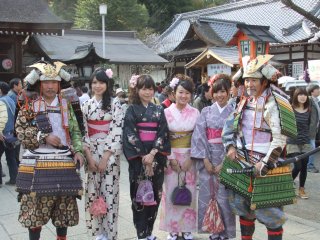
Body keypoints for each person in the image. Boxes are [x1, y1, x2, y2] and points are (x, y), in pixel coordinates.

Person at [222, 55, 290, 240]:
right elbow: (229, 128)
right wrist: (230, 147)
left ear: (264, 81)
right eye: (247, 79)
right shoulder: (243, 101)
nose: (250, 84)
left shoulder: (275, 103)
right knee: (244, 209)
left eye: (254, 80)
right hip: (242, 162)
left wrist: (266, 163)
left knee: (271, 213)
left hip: (267, 165)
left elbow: (280, 138)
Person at [15, 62, 84, 240]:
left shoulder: (66, 105)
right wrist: (43, 137)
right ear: (40, 84)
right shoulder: (31, 105)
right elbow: (20, 130)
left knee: (64, 210)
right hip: (37, 162)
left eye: (54, 82)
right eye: (46, 82)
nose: (50, 86)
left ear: (59, 84)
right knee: (34, 210)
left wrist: (78, 151)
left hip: (64, 161)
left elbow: (75, 131)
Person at [123, 74, 171, 240]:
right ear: (137, 90)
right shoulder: (131, 109)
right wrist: (144, 155)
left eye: (150, 88)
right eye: (143, 88)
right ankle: (141, 233)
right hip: (138, 159)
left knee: (155, 195)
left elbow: (163, 132)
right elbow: (130, 133)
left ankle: (149, 232)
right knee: (139, 195)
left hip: (155, 158)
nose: (147, 92)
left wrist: (152, 153)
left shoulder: (159, 110)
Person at [191, 75, 236, 240]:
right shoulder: (206, 111)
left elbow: (236, 138)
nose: (219, 95)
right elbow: (199, 136)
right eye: (216, 92)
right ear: (212, 93)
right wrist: (205, 160)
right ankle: (213, 230)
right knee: (208, 195)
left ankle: (225, 232)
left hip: (227, 159)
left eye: (223, 91)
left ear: (229, 92)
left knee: (224, 198)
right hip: (208, 158)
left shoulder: (235, 112)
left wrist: (224, 162)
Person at [82, 68, 124, 240]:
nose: (97, 86)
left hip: (110, 154)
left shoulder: (115, 104)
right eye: (94, 83)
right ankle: (97, 232)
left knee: (110, 192)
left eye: (101, 82)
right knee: (92, 192)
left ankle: (110, 232)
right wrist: (89, 156)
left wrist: (106, 156)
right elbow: (83, 131)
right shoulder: (85, 105)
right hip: (90, 151)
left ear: (107, 84)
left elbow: (117, 130)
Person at [159, 75, 200, 240]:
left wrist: (192, 157)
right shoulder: (166, 112)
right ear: (173, 93)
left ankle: (187, 228)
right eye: (181, 92)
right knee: (170, 191)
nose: (184, 96)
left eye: (187, 93)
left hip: (190, 157)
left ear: (191, 95)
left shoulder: (196, 112)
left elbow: (198, 138)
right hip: (172, 157)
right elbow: (163, 137)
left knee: (189, 191)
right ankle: (173, 229)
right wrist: (170, 158)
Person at [287, 87, 315, 199]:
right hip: (292, 142)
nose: (303, 97)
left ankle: (301, 189)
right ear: (296, 96)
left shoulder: (309, 110)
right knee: (297, 166)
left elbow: (312, 125)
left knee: (304, 167)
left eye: (304, 95)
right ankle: (288, 184)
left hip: (305, 142)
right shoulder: (290, 109)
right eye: (300, 95)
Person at [0, 81, 18, 186]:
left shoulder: (1, 101)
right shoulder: (10, 100)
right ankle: (13, 180)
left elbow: (2, 119)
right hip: (11, 134)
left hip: (2, 134)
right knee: (11, 158)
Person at [306, 84, 320, 173]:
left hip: (314, 129)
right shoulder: (309, 101)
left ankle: (308, 165)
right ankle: (309, 165)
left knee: (311, 147)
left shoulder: (316, 100)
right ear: (312, 91)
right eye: (317, 89)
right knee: (312, 147)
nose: (319, 90)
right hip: (310, 129)